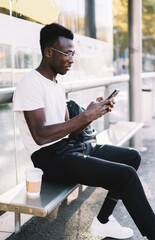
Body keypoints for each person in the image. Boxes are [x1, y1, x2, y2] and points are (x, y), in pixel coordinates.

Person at [13, 23, 155, 240]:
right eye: (67, 54)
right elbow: (40, 136)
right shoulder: (30, 84)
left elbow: (69, 129)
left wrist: (95, 111)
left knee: (131, 157)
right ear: (48, 52)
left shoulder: (56, 85)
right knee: (126, 176)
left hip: (69, 148)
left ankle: (103, 221)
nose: (71, 59)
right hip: (50, 158)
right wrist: (87, 115)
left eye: (73, 54)